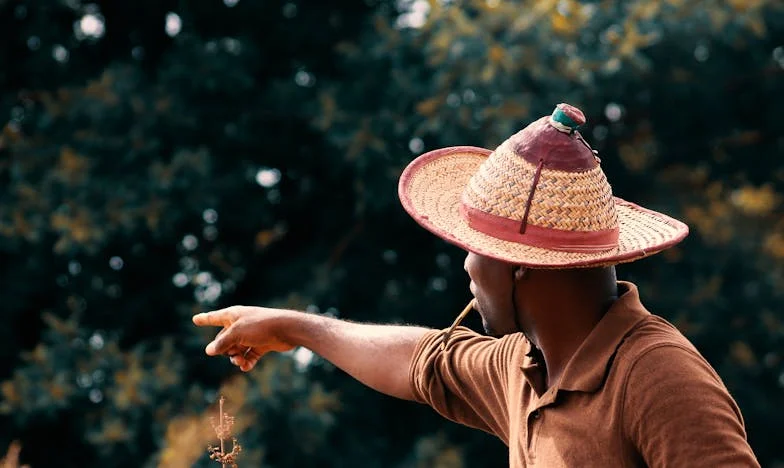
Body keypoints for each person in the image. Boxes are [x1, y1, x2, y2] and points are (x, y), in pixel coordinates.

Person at [193, 104, 760, 467]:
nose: (466, 266)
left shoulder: (656, 377)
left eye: (475, 249)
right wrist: (294, 327)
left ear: (520, 265)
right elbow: (421, 362)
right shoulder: (524, 367)